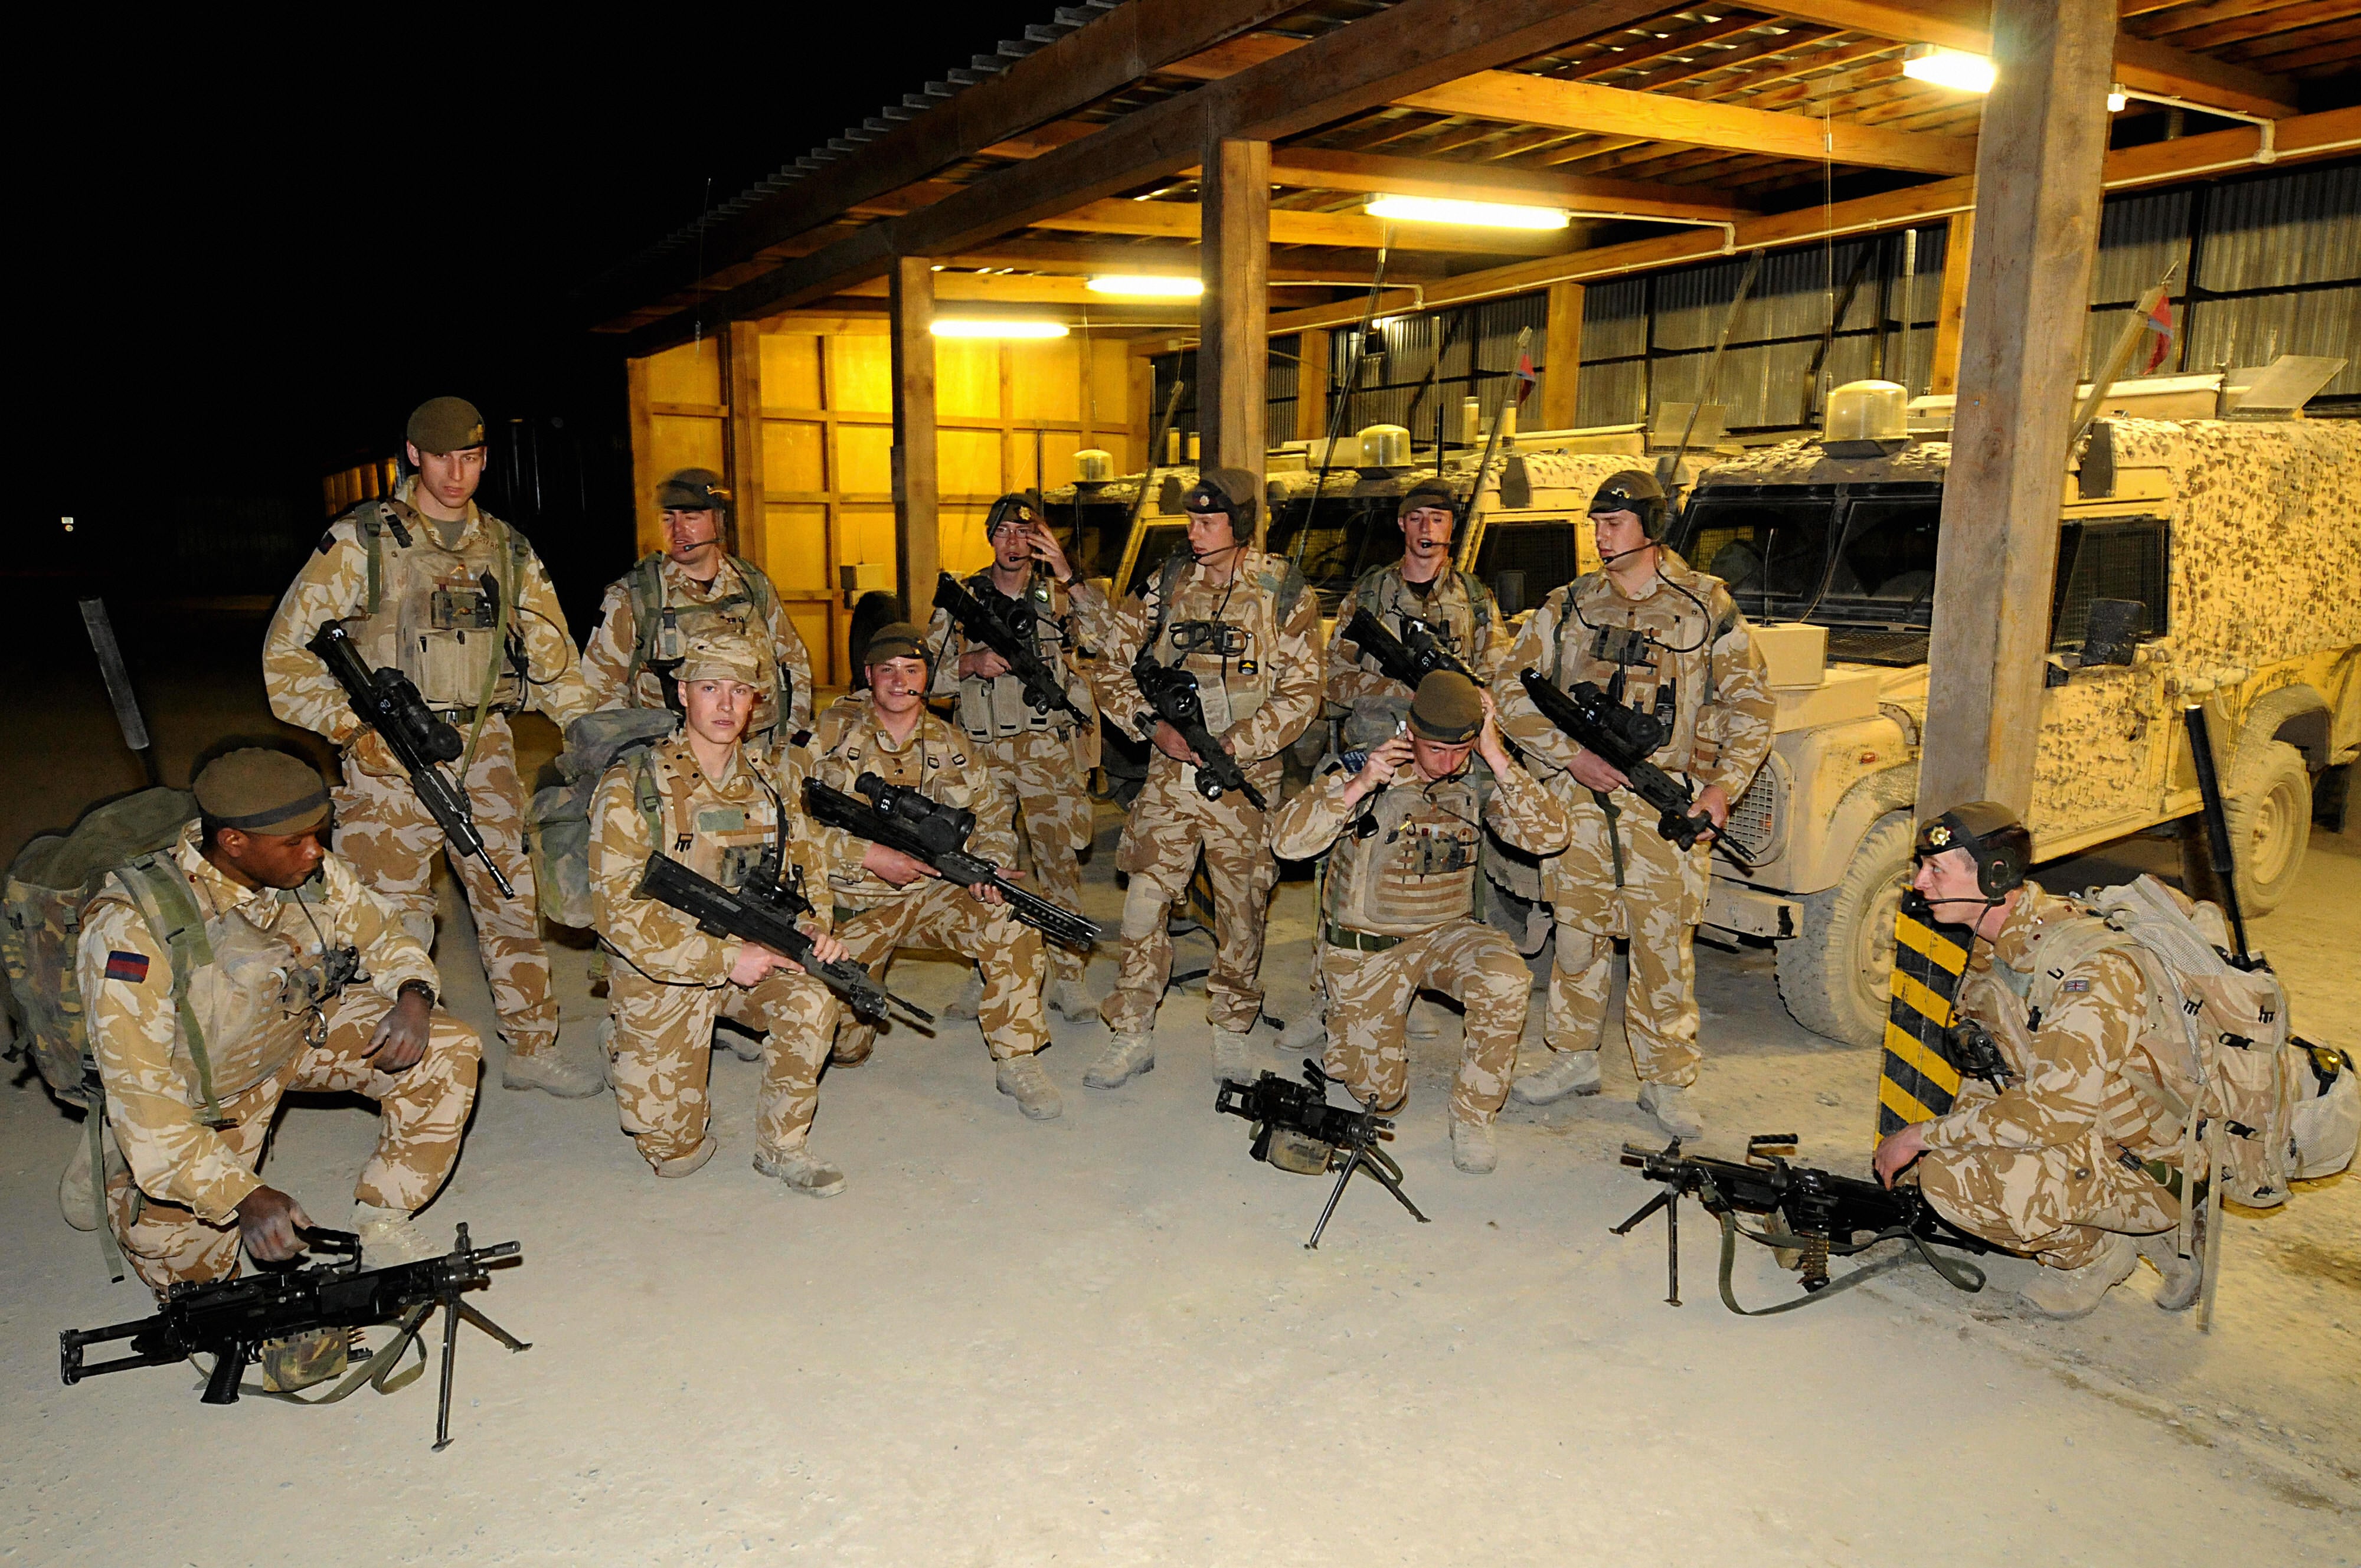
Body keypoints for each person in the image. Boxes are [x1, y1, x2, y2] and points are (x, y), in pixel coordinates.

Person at [263, 395, 600, 1097]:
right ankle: (399, 1061)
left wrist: (602, 742)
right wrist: (353, 730)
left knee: (511, 899)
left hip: (486, 749)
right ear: (414, 454)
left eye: (473, 458)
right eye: (444, 457)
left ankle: (532, 1047)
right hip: (386, 762)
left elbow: (555, 664)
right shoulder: (363, 541)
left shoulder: (506, 548)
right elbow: (285, 659)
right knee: (388, 914)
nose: (458, 473)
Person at [76, 748, 483, 1294]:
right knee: (199, 1288)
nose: (316, 852)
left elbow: (383, 933)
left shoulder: (306, 868)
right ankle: (107, 1159)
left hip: (293, 1033)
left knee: (449, 1047)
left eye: (319, 833)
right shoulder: (132, 932)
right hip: (203, 1093)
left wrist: (414, 993)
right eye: (296, 841)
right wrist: (243, 1193)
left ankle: (383, 1217)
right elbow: (150, 1106)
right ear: (234, 842)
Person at [1494, 469, 1773, 1138]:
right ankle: (1572, 1057)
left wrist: (1721, 788)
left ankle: (1666, 1079)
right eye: (1595, 524)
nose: (1599, 537)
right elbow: (1507, 688)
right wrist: (1569, 757)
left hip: (1662, 801)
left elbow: (1752, 705)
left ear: (1650, 529)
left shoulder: (1707, 606)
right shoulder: (1566, 605)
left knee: (1661, 946)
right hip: (1582, 801)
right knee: (1577, 933)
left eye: (1612, 525)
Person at [1873, 803, 2192, 1320]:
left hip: (2153, 1160)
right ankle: (2131, 1223)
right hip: (2095, 1135)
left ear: (1995, 875)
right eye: (1921, 867)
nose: (1919, 883)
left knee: (1950, 1180)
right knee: (1948, 1163)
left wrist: (1922, 1138)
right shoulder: (2002, 945)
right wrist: (1947, 1135)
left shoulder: (2088, 974)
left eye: (1937, 870)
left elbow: (2051, 1113)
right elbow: (1994, 1075)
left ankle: (2099, 1254)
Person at [1267, 673, 1570, 1173]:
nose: (1448, 762)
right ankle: (1347, 1006)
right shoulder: (1368, 765)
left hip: (1445, 934)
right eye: (1435, 749)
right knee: (1380, 1097)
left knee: (1507, 978)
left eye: (1462, 748)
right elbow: (1286, 841)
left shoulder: (1476, 773)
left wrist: (1495, 753)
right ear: (1410, 731)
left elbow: (1551, 836)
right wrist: (1359, 785)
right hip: (1370, 945)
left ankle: (1472, 1115)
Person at [590, 630, 856, 1191]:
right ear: (683, 692)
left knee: (813, 997)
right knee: (675, 1152)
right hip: (662, 966)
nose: (726, 705)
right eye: (710, 687)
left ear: (756, 702)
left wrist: (812, 929)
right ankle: (624, 1037)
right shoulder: (635, 785)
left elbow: (808, 875)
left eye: (740, 691)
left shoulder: (773, 781)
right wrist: (726, 958)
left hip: (751, 955)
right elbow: (618, 913)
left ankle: (783, 1148)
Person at [1083, 467, 1323, 1090]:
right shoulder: (1166, 584)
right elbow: (1110, 660)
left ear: (1239, 526)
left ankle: (1231, 1027)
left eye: (1207, 522)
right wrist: (1147, 725)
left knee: (1241, 914)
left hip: (1242, 783)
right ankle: (1131, 1030)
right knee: (1141, 904)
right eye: (1190, 520)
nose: (1193, 532)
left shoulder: (1284, 591)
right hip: (1168, 778)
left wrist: (1235, 746)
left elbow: (1302, 691)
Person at [810, 623, 1061, 1120]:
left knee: (1013, 918)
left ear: (928, 677)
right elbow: (788, 822)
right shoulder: (830, 736)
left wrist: (987, 868)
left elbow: (992, 817)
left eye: (912, 670)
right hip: (853, 902)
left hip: (931, 895)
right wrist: (865, 855)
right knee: (844, 1046)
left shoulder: (954, 743)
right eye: (888, 671)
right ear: (869, 676)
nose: (900, 681)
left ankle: (1017, 1056)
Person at [924, 493, 1111, 1023]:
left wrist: (1067, 572)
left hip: (1046, 752)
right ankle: (983, 972)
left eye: (1025, 533)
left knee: (1058, 866)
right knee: (981, 866)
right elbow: (922, 678)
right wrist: (970, 662)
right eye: (1004, 531)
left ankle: (1068, 976)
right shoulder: (960, 600)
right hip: (980, 756)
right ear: (990, 537)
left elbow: (1112, 643)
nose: (1013, 543)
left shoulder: (1060, 596)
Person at [581, 466, 815, 741]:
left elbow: (793, 663)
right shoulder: (634, 598)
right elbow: (600, 688)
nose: (678, 530)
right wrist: (633, 757)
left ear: (719, 520)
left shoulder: (753, 586)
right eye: (668, 519)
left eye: (691, 517)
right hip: (674, 764)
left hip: (760, 755)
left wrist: (793, 741)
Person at [1325, 479, 1507, 729]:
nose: (1426, 528)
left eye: (1437, 519)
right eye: (1415, 518)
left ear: (1452, 526)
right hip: (1381, 740)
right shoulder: (1368, 595)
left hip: (1455, 743)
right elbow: (1333, 679)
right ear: (1402, 524)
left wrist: (1460, 696)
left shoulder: (1476, 598)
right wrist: (1400, 691)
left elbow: (1498, 681)